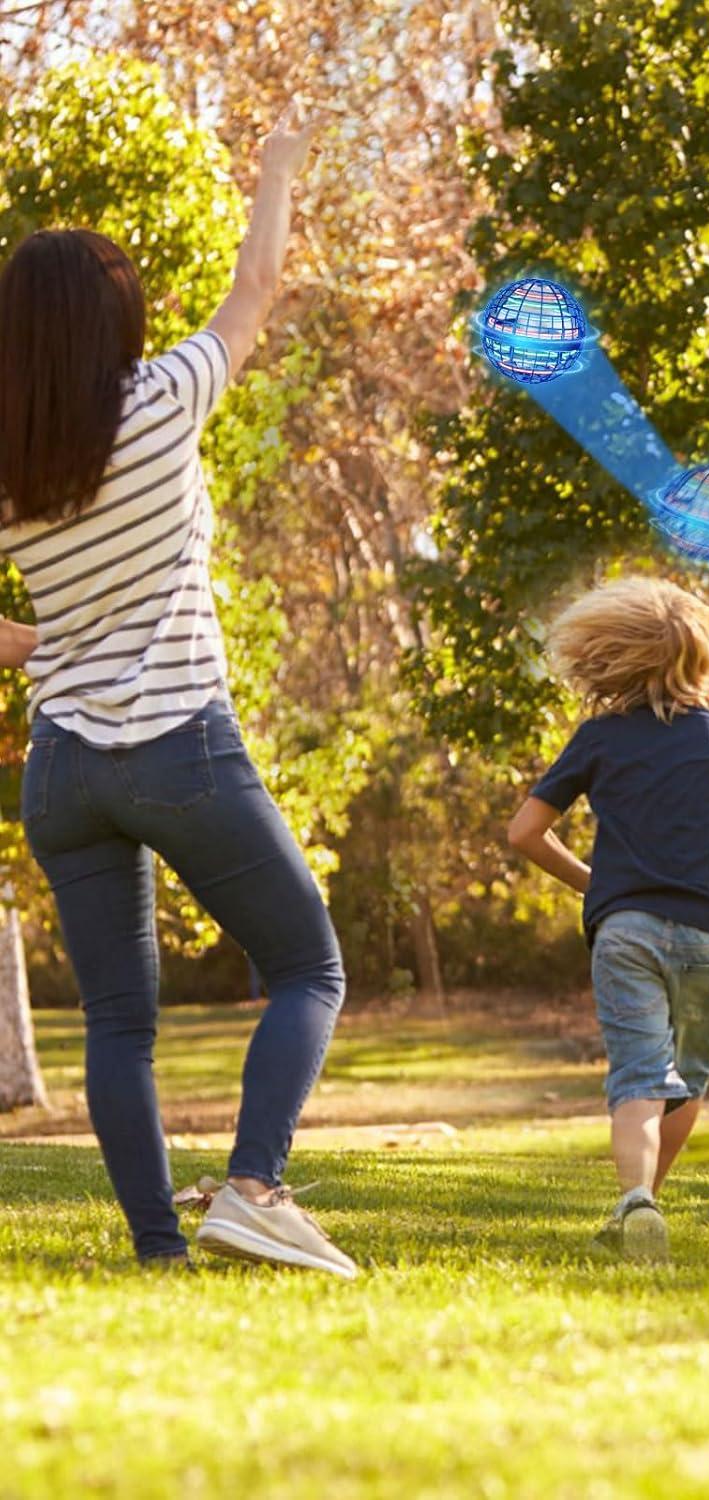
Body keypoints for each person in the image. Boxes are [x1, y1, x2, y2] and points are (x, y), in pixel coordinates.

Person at [0, 105, 355, 1277]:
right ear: (116, 320)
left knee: (118, 1020)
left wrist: (40, 644)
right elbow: (255, 288)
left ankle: (160, 1251)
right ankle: (253, 1186)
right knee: (309, 966)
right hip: (178, 747)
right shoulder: (161, 402)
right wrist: (279, 167)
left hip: (62, 771)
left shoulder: (12, 467)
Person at [508, 577, 709, 1262]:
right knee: (686, 1080)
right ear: (699, 658)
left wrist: (600, 886)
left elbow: (524, 832)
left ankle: (637, 1205)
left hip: (627, 933)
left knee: (639, 1077)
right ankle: (643, 1209)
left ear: (616, 655)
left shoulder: (599, 739)